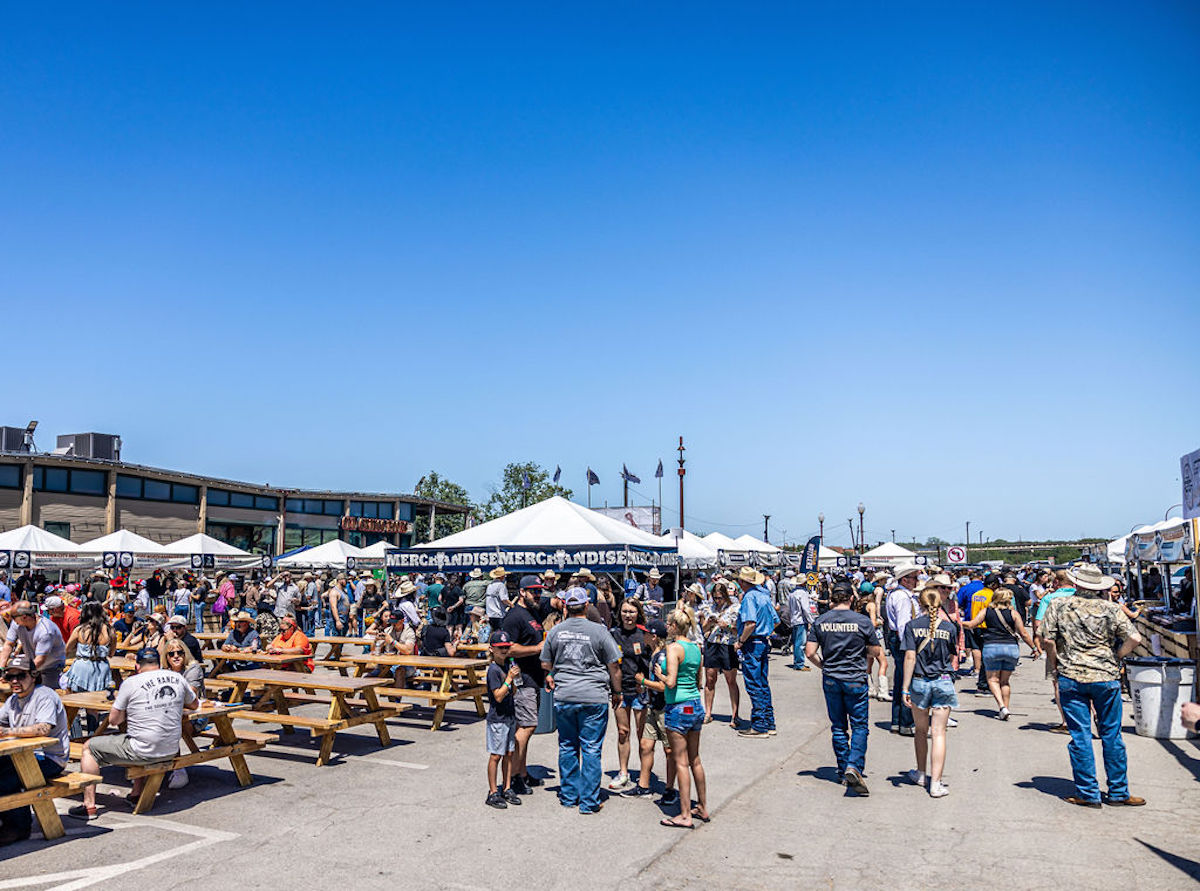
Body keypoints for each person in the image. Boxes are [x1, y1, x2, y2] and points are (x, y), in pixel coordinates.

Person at [1041, 564, 1144, 808]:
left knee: (1081, 735)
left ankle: (1088, 792)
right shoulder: (1110, 608)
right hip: (1105, 676)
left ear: (1076, 583)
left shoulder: (1058, 605)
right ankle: (1119, 791)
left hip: (1072, 675)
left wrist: (1056, 665)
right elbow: (1135, 638)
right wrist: (1117, 656)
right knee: (1111, 734)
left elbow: (1048, 640)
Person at [72, 646, 199, 820]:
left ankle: (89, 806)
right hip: (170, 749)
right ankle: (136, 794)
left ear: (137, 666)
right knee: (136, 737)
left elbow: (114, 720)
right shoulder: (177, 678)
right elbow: (194, 705)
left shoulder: (131, 683)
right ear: (159, 663)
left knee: (89, 748)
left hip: (145, 750)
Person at [539, 587, 622, 815]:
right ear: (587, 606)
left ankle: (569, 796)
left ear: (565, 606)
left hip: (565, 695)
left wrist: (553, 673)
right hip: (593, 696)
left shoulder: (556, 631)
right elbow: (614, 665)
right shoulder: (600, 631)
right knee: (591, 748)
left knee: (567, 745)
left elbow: (545, 663)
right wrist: (617, 691)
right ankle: (588, 801)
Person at [806, 580, 881, 796]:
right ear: (851, 598)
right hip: (855, 677)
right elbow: (875, 651)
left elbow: (810, 652)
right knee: (859, 726)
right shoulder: (862, 621)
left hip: (831, 678)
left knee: (838, 726)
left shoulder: (821, 621)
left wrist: (824, 665)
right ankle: (854, 766)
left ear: (832, 598)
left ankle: (842, 769)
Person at [0, 655, 71, 844]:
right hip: (21, 755)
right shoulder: (13, 700)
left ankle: (18, 828)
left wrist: (7, 732)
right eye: (10, 677)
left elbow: (43, 728)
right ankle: (7, 819)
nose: (15, 681)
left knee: (6, 781)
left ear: (33, 675)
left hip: (50, 757)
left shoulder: (44, 696)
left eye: (20, 676)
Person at [901, 575, 959, 798]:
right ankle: (936, 783)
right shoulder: (949, 627)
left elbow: (909, 657)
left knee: (921, 731)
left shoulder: (912, 626)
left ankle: (921, 772)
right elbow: (954, 654)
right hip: (943, 680)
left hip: (919, 681)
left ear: (921, 603)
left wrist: (905, 687)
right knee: (939, 734)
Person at [658, 606, 709, 828]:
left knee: (680, 762)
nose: (666, 627)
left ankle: (685, 814)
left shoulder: (674, 648)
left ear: (675, 626)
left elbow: (670, 682)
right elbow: (699, 679)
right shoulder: (695, 648)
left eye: (669, 624)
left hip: (678, 705)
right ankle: (703, 806)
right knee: (694, 758)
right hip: (695, 704)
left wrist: (658, 673)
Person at [499, 576, 546, 795]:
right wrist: (537, 649)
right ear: (521, 592)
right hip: (521, 679)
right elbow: (507, 649)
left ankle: (523, 773)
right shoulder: (514, 616)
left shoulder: (532, 613)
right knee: (526, 727)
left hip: (534, 677)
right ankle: (514, 776)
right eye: (533, 591)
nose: (537, 594)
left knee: (526, 726)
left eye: (539, 591)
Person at [961, 586, 1036, 720]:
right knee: (1005, 681)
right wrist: (1034, 648)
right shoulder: (1014, 614)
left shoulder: (986, 611)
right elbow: (1023, 633)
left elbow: (972, 624)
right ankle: (1006, 708)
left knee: (993, 680)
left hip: (992, 647)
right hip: (1011, 649)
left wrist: (957, 622)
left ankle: (1002, 707)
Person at [624, 619, 676, 803]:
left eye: (646, 632)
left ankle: (669, 789)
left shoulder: (662, 656)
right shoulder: (652, 653)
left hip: (664, 709)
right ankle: (643, 786)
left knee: (669, 750)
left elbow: (664, 685)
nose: (642, 635)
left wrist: (643, 682)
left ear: (653, 636)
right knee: (646, 745)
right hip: (653, 707)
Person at [608, 598, 649, 793]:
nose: (628, 615)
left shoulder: (644, 634)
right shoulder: (613, 634)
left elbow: (653, 660)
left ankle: (644, 774)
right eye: (625, 611)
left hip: (640, 691)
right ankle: (623, 772)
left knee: (643, 735)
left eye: (632, 612)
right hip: (620, 691)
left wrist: (646, 682)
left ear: (638, 613)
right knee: (623, 732)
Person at [734, 567, 778, 738]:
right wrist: (765, 631)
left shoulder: (750, 597)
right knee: (762, 683)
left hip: (752, 643)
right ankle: (768, 722)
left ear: (743, 582)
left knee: (754, 684)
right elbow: (776, 620)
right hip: (762, 642)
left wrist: (740, 641)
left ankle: (759, 724)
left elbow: (750, 623)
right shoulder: (764, 595)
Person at [483, 631, 523, 809]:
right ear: (492, 649)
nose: (505, 651)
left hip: (509, 715)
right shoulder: (493, 670)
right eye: (501, 648)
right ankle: (493, 792)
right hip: (497, 718)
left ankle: (507, 787)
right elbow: (498, 696)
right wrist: (508, 679)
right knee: (496, 755)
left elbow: (512, 692)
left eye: (507, 647)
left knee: (508, 753)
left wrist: (514, 680)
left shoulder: (507, 665)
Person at [884, 564, 921, 736]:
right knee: (908, 680)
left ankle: (897, 720)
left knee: (900, 679)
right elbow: (903, 623)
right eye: (914, 578)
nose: (917, 581)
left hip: (897, 638)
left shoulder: (898, 594)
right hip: (903, 639)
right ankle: (906, 721)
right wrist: (908, 646)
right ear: (905, 579)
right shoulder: (902, 597)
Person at [699, 581, 742, 726]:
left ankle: (735, 715)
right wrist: (709, 623)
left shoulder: (734, 608)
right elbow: (703, 629)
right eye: (715, 598)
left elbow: (739, 630)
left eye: (720, 598)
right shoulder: (709, 608)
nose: (717, 601)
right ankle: (708, 712)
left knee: (731, 680)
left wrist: (727, 626)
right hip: (712, 644)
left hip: (727, 645)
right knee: (710, 679)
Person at [0, 601, 67, 691]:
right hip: (31, 667)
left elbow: (40, 659)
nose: (12, 620)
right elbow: (8, 645)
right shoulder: (17, 623)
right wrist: (2, 669)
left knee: (44, 697)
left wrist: (19, 674)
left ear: (24, 617)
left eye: (13, 617)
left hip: (50, 670)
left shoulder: (45, 631)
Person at [63, 602, 114, 695]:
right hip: (101, 668)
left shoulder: (79, 630)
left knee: (73, 698)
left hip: (81, 667)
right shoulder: (109, 630)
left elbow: (66, 650)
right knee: (95, 702)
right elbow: (111, 654)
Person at [785, 577, 815, 672]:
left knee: (796, 642)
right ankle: (799, 664)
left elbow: (789, 607)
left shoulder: (792, 592)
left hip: (794, 619)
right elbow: (806, 608)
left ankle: (797, 662)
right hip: (801, 620)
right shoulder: (803, 593)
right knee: (801, 643)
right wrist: (811, 620)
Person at [485, 568, 510, 633]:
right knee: (501, 632)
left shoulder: (490, 585)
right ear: (502, 576)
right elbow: (504, 599)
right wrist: (512, 605)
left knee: (494, 632)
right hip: (498, 613)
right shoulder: (501, 585)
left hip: (490, 613)